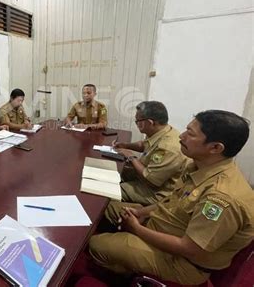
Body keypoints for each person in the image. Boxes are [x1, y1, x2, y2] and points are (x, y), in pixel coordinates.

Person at [89, 110, 254, 285]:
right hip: (164, 225)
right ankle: (125, 252)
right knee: (107, 206)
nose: (181, 136)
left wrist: (137, 229)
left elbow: (189, 249)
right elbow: (173, 201)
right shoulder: (198, 166)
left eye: (190, 134)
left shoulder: (221, 198)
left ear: (215, 148)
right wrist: (142, 213)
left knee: (96, 244)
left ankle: (123, 274)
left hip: (181, 262)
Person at [112, 101, 187, 205]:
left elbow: (151, 181)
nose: (136, 123)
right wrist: (125, 145)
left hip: (155, 192)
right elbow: (144, 145)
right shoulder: (162, 130)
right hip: (145, 175)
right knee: (114, 170)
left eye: (137, 121)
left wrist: (131, 156)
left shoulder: (168, 147)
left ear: (150, 122)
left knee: (110, 190)